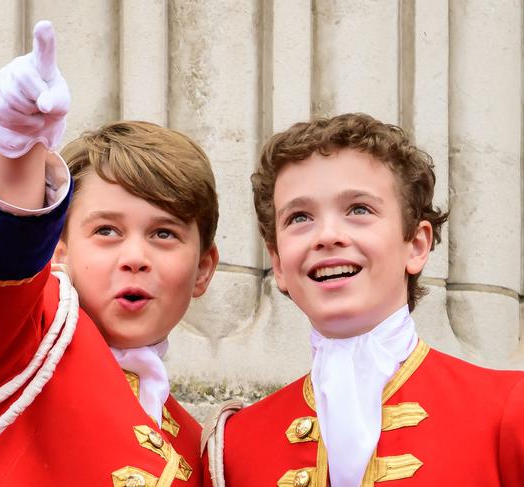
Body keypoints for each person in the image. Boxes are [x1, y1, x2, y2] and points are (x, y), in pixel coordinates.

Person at [0, 20, 219, 486]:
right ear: (58, 250)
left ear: (203, 269)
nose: (135, 257)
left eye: (164, 234)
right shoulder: (13, 344)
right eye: (106, 231)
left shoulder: (199, 446)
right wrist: (18, 150)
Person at [202, 113, 524, 486]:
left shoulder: (508, 409)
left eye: (359, 210)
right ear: (278, 263)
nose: (327, 235)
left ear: (416, 245)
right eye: (300, 217)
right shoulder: (235, 445)